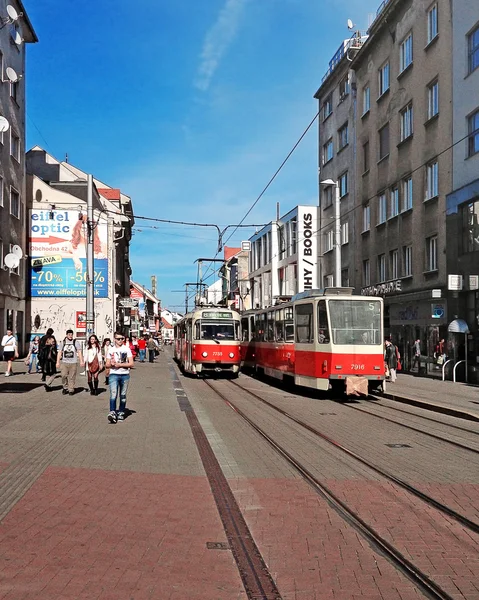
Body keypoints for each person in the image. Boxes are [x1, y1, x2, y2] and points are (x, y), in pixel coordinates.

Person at [105, 332, 134, 423]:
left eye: (122, 339)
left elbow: (131, 363)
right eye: (118, 339)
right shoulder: (110, 350)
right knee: (113, 394)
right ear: (114, 339)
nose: (120, 340)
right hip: (114, 374)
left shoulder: (127, 349)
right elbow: (107, 364)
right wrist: (111, 364)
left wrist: (120, 364)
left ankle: (121, 411)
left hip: (125, 374)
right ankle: (112, 411)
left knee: (123, 395)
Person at [57, 329, 84, 395]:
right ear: (66, 335)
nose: (70, 336)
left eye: (71, 335)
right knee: (63, 375)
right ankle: (65, 387)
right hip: (64, 362)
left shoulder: (75, 342)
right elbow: (59, 352)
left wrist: (81, 361)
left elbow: (79, 352)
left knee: (72, 377)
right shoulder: (63, 342)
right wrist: (57, 362)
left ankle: (71, 389)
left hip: (73, 363)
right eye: (69, 334)